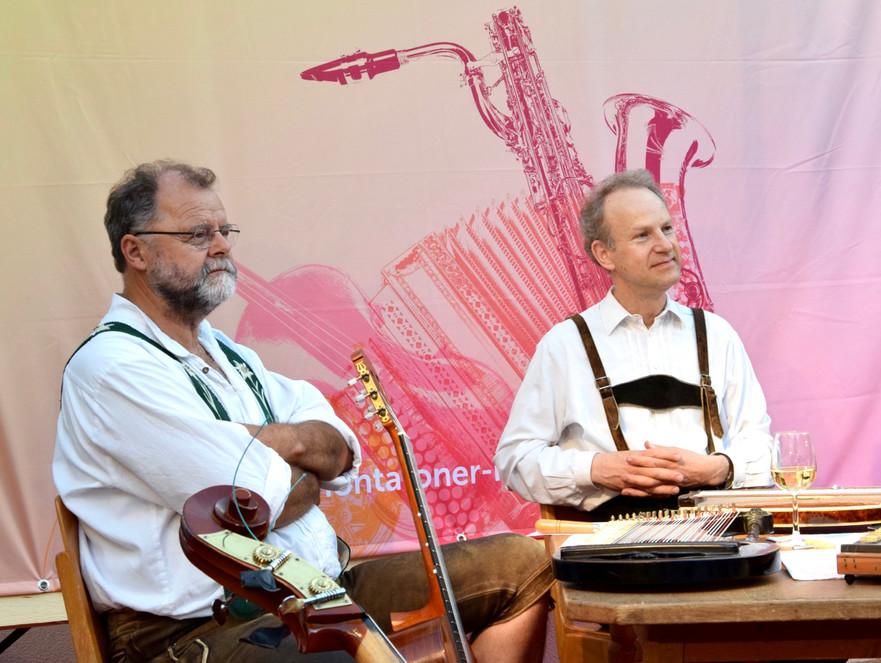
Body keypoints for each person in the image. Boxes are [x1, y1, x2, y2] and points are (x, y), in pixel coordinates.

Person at [52, 160, 552, 662]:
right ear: (135, 251)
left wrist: (274, 441)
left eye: (224, 230)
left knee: (521, 564)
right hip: (194, 631)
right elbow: (248, 506)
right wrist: (300, 469)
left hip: (319, 594)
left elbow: (338, 449)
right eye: (198, 234)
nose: (222, 246)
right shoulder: (111, 368)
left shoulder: (230, 354)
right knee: (337, 656)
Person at [493, 168, 773, 515]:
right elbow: (515, 459)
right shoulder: (564, 345)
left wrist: (718, 469)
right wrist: (596, 469)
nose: (665, 245)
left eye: (666, 228)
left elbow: (762, 447)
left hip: (714, 533)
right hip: (606, 540)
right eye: (643, 235)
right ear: (604, 254)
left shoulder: (717, 335)